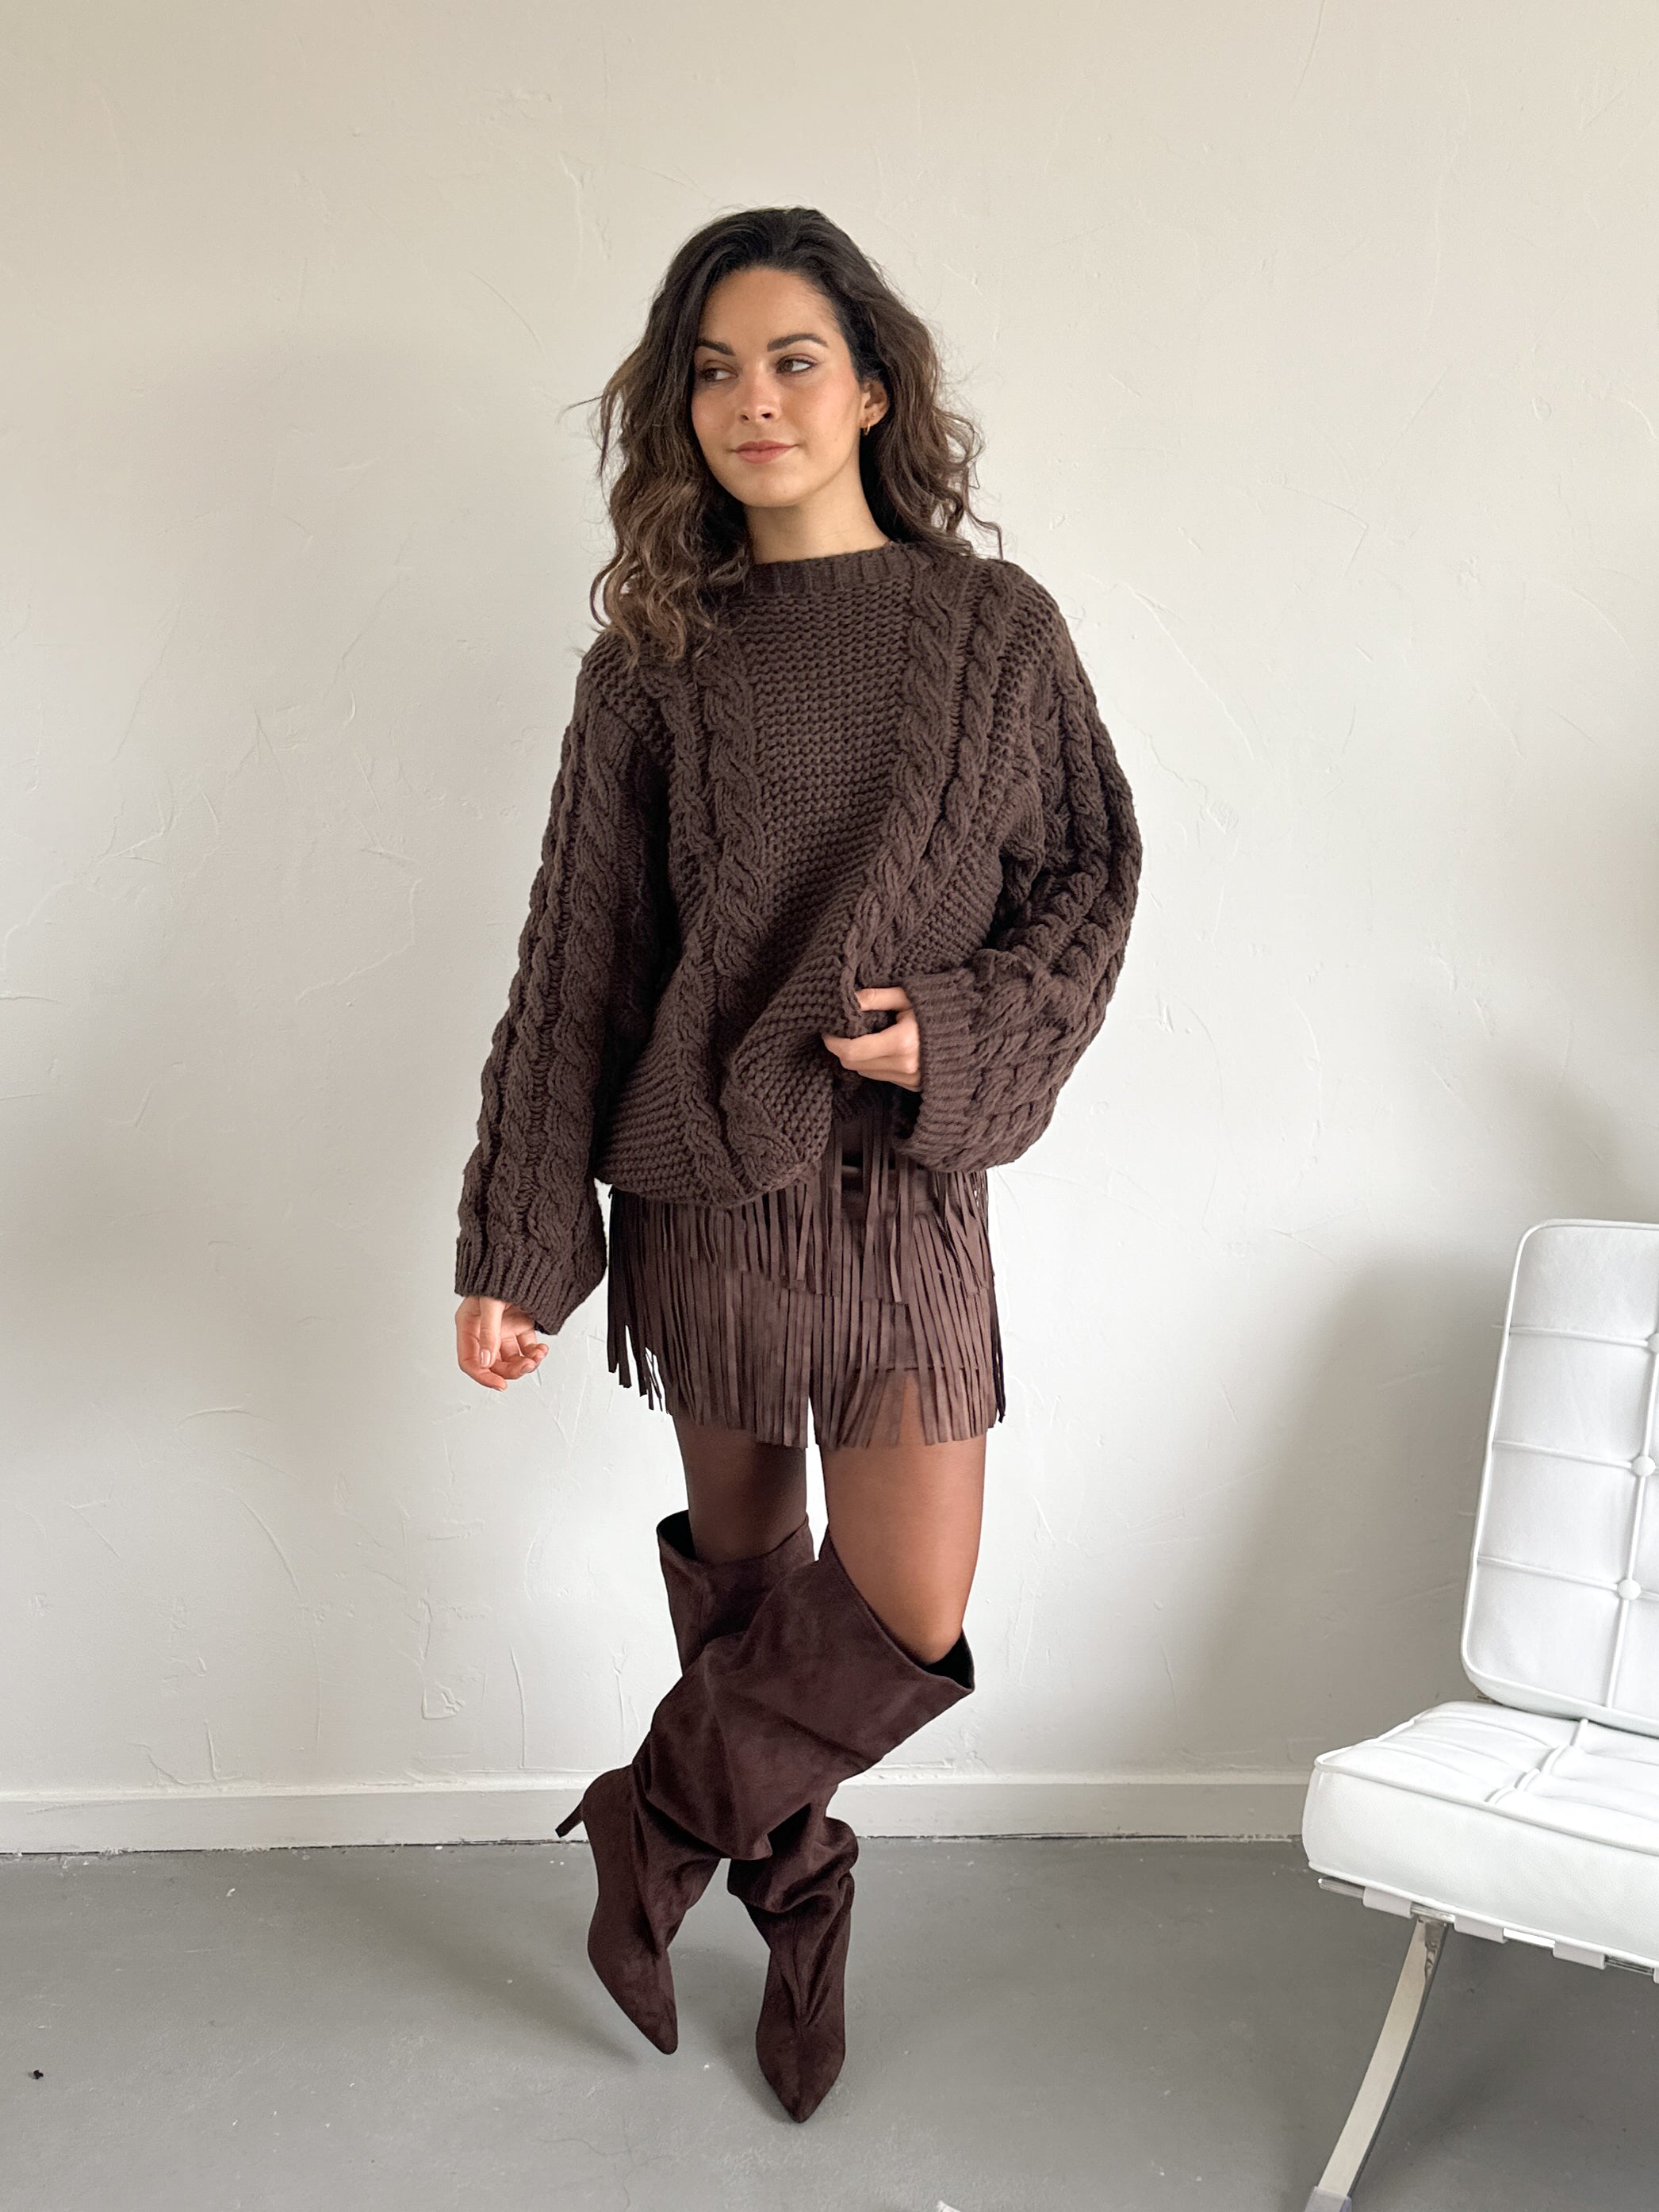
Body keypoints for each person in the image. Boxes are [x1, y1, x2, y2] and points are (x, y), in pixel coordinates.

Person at [450, 205, 1143, 2122]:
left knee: (903, 1609)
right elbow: (579, 962)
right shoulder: (655, 661)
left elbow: (1088, 882)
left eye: (791, 360)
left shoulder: (992, 631)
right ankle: (801, 1897)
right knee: (755, 1601)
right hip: (711, 1188)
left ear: (872, 389)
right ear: (679, 411)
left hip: (905, 1190)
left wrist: (959, 1031)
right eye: (710, 370)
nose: (750, 400)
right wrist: (518, 1237)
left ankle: (654, 1822)